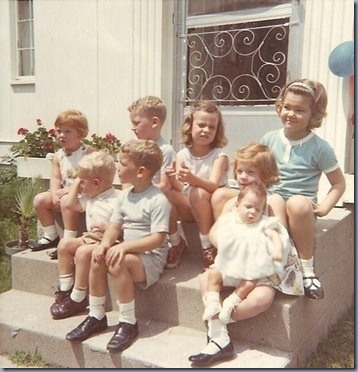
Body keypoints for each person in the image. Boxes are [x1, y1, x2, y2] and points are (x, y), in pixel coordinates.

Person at [189, 142, 304, 367]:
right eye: (240, 171)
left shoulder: (272, 201)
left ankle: (222, 321)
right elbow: (215, 231)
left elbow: (279, 235)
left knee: (261, 299)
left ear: (267, 175)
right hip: (235, 262)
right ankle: (220, 337)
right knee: (206, 278)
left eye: (250, 172)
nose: (242, 177)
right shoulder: (234, 202)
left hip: (261, 269)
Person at [65, 140, 171, 353]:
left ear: (140, 171)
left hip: (150, 257)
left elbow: (158, 239)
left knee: (117, 260)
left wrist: (123, 247)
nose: (118, 168)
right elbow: (114, 227)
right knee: (98, 255)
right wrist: (104, 244)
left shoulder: (158, 200)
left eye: (122, 164)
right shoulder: (124, 197)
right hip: (131, 250)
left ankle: (128, 322)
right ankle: (96, 316)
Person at [261, 78, 346, 300]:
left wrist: (326, 207)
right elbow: (257, 170)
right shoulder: (269, 139)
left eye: (300, 110)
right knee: (274, 199)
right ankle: (284, 260)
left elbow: (338, 183)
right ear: (280, 106)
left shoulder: (320, 148)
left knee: (297, 203)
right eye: (287, 107)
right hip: (274, 203)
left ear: (314, 115)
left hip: (301, 209)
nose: (291, 114)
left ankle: (307, 270)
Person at [202, 183, 291, 326]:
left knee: (249, 283)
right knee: (213, 274)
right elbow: (219, 235)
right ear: (237, 205)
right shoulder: (231, 221)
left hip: (251, 267)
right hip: (231, 264)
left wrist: (277, 250)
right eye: (248, 207)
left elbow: (275, 236)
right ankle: (213, 302)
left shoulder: (263, 223)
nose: (252, 212)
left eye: (258, 209)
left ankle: (232, 301)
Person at [50, 151, 120, 319]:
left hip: (109, 241)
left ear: (96, 183)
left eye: (83, 183)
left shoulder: (117, 200)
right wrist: (75, 184)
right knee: (64, 245)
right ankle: (66, 290)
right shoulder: (90, 197)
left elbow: (124, 226)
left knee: (82, 252)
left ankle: (79, 297)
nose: (80, 186)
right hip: (89, 237)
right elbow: (70, 205)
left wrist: (107, 227)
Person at [165, 100, 229, 269]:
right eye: (201, 125)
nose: (206, 130)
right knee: (168, 194)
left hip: (211, 209)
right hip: (191, 207)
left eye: (212, 127)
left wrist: (192, 179)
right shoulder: (182, 155)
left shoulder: (219, 156)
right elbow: (182, 188)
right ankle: (175, 242)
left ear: (217, 131)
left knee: (197, 192)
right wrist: (172, 179)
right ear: (190, 126)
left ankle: (207, 246)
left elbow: (213, 185)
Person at [29, 110, 95, 254]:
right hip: (64, 192)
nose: (61, 135)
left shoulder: (88, 152)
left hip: (84, 194)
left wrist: (72, 191)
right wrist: (53, 195)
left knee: (66, 201)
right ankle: (51, 236)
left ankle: (68, 241)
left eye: (67, 132)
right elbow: (56, 178)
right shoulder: (58, 156)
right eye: (58, 131)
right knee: (39, 200)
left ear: (81, 134)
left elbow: (89, 177)